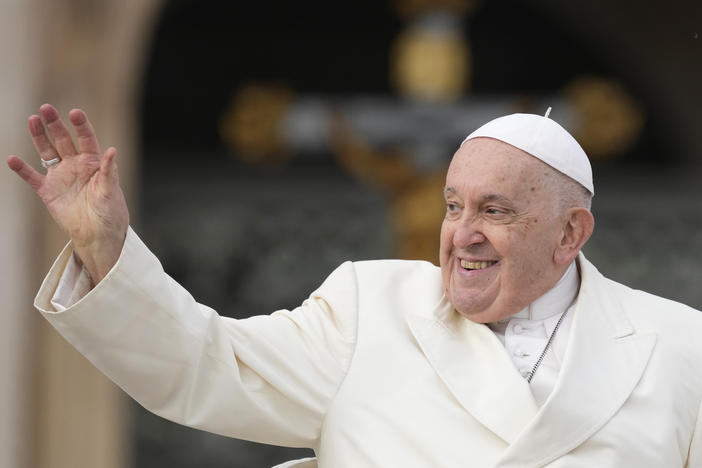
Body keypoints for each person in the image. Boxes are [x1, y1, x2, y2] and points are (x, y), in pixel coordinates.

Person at [7, 104, 702, 468]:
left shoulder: (681, 348)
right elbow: (205, 362)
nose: (461, 234)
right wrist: (106, 248)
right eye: (454, 206)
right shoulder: (369, 311)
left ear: (570, 233)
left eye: (495, 211)